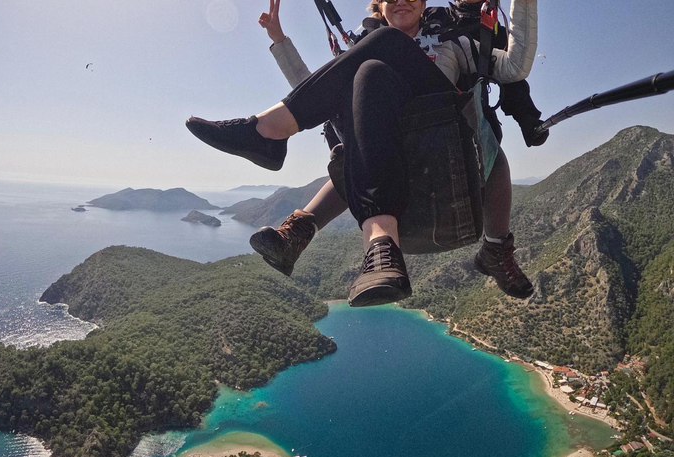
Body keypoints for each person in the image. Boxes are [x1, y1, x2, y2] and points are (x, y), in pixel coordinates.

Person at [186, 0, 538, 306]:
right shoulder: (360, 52)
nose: (401, 1)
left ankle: (265, 133)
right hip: (386, 154)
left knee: (384, 44)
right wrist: (280, 42)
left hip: (444, 142)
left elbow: (513, 67)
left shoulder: (452, 40)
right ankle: (309, 234)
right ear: (378, 4)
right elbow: (315, 97)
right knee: (367, 76)